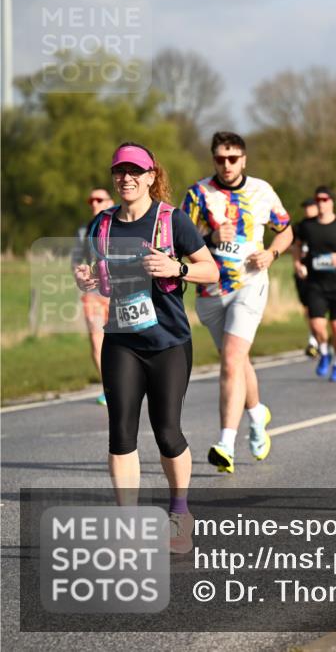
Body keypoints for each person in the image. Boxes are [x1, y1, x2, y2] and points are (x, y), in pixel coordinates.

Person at [73, 142, 218, 553]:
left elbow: (211, 269)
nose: (127, 178)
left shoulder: (172, 221)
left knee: (168, 433)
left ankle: (179, 512)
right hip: (121, 340)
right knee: (120, 435)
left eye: (136, 171)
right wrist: (87, 279)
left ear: (152, 176)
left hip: (168, 342)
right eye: (120, 171)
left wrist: (179, 268)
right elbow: (101, 280)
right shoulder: (102, 225)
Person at [181, 131, 293, 473]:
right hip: (211, 290)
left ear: (243, 159)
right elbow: (180, 240)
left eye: (233, 158)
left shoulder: (262, 191)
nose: (226, 165)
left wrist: (272, 253)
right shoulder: (198, 194)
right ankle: (257, 415)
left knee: (230, 359)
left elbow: (287, 229)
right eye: (220, 159)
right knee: (237, 362)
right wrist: (210, 237)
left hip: (250, 284)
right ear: (213, 159)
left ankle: (225, 443)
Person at [294, 186, 336, 380]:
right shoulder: (307, 226)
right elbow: (296, 245)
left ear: (331, 201)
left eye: (324, 200)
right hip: (315, 283)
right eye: (318, 200)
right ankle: (324, 351)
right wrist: (298, 263)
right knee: (316, 325)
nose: (321, 203)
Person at [72, 187, 116, 405]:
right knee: (96, 338)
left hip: (119, 293)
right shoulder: (83, 231)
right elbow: (76, 261)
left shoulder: (120, 225)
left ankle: (129, 381)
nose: (95, 204)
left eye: (99, 200)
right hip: (93, 294)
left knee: (123, 339)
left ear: (110, 201)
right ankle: (109, 387)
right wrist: (81, 274)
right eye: (91, 201)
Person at [293, 198, 320, 357]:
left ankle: (318, 338)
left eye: (310, 206)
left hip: (321, 273)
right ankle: (313, 339)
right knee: (308, 308)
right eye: (306, 207)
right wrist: (297, 265)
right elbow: (294, 247)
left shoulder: (324, 225)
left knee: (320, 310)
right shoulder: (299, 227)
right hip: (304, 272)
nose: (307, 210)